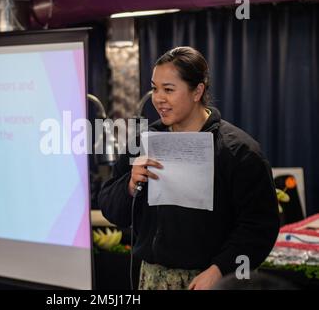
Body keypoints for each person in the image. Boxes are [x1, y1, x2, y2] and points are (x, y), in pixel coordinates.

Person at [98, 46, 280, 290]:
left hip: (214, 281)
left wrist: (220, 270)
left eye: (169, 90)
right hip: (151, 279)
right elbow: (109, 206)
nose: (158, 98)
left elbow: (259, 227)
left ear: (198, 92)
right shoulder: (143, 142)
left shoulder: (238, 151)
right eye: (154, 88)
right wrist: (129, 185)